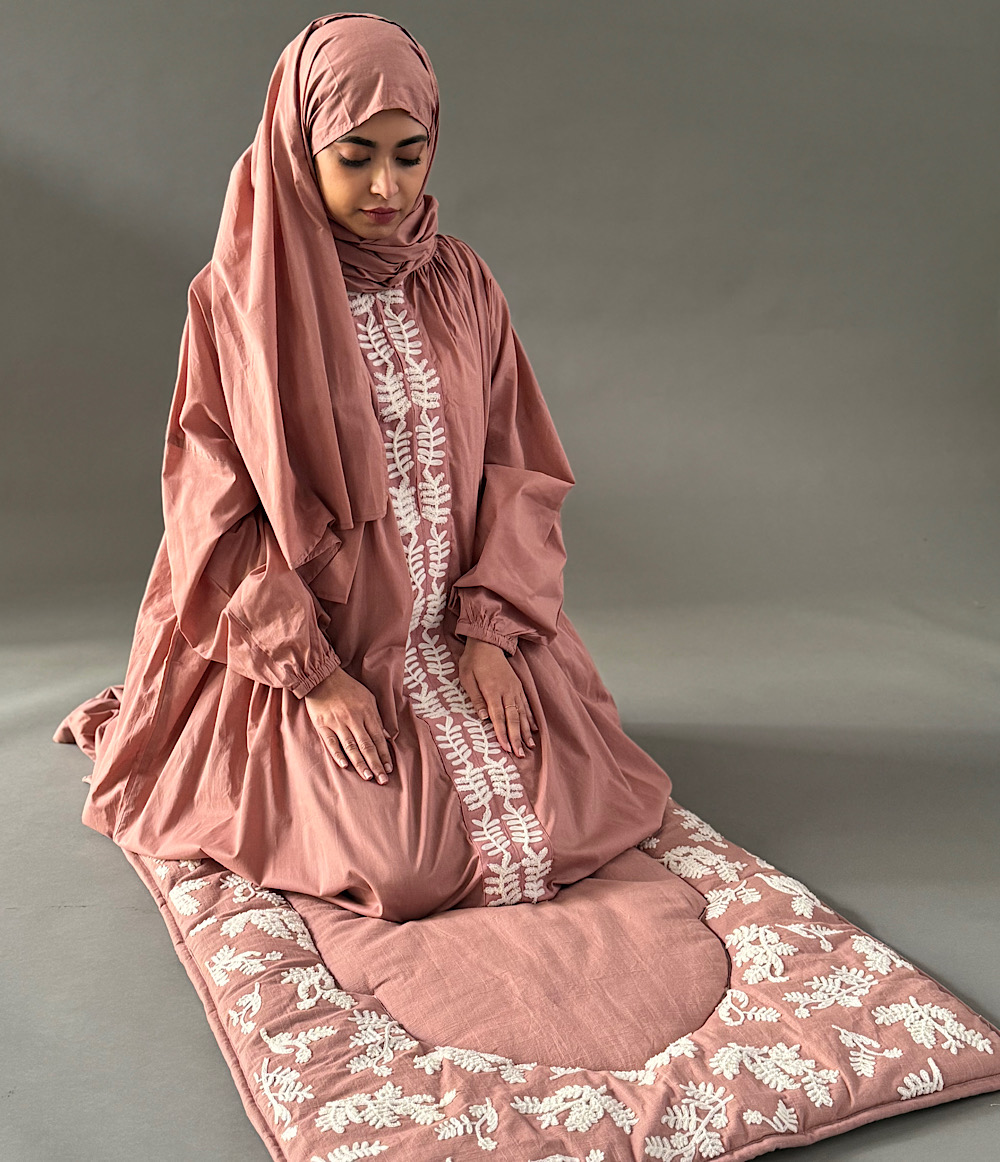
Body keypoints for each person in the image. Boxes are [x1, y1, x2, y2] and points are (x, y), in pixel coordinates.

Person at [54, 11, 673, 922]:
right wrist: (315, 675)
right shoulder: (238, 300)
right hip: (313, 639)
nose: (387, 186)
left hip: (462, 622)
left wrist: (492, 631)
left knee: (578, 816)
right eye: (355, 157)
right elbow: (210, 508)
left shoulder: (459, 280)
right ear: (301, 149)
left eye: (410, 155)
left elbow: (520, 463)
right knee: (406, 868)